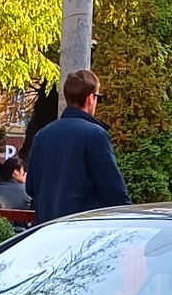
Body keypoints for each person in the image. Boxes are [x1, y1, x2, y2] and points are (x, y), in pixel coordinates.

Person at [23, 68, 129, 223]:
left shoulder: (42, 135)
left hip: (46, 229)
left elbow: (30, 187)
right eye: (98, 98)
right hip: (82, 230)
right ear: (90, 98)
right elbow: (114, 191)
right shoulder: (95, 135)